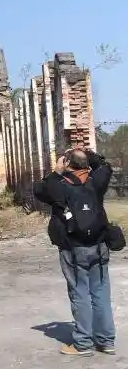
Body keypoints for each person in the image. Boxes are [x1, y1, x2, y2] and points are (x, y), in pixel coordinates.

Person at [33, 148, 115, 356]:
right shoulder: (96, 182)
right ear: (86, 164)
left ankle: (83, 343)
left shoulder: (59, 186)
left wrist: (57, 171)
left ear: (66, 163)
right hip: (99, 245)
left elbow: (38, 190)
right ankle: (106, 341)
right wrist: (89, 154)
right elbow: (105, 166)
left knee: (79, 294)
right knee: (101, 293)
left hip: (72, 248)